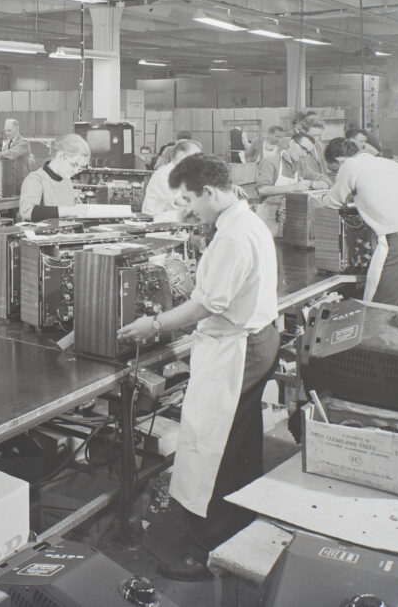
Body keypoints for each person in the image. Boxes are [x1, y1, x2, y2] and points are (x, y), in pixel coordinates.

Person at [118, 154, 279, 579]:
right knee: (240, 441)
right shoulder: (243, 221)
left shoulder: (232, 238)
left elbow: (208, 303)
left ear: (210, 192)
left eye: (190, 199)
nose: (188, 209)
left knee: (216, 446)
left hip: (238, 350)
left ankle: (208, 546)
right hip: (256, 338)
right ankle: (238, 525)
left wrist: (153, 324)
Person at [323, 137, 398, 310]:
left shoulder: (349, 165)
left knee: (377, 308)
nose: (336, 174)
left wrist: (320, 197)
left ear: (338, 160)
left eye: (334, 170)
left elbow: (332, 202)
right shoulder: (391, 165)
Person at [254, 133, 331, 236]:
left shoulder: (301, 165)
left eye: (307, 152)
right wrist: (293, 188)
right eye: (303, 149)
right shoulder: (270, 162)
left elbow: (327, 181)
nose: (304, 154)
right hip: (269, 218)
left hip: (290, 219)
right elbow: (262, 190)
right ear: (292, 143)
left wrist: (313, 184)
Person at [18, 134, 90, 222]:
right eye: (75, 165)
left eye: (80, 168)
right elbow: (27, 212)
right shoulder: (35, 179)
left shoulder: (67, 182)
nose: (76, 171)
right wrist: (70, 211)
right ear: (60, 156)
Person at [141, 139, 201, 222]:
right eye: (196, 157)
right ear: (181, 156)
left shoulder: (182, 174)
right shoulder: (165, 174)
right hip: (156, 225)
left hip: (170, 222)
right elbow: (180, 202)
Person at [0, 118, 32, 192]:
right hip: (9, 185)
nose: (6, 133)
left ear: (17, 129)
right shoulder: (6, 145)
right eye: (5, 131)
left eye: (9, 130)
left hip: (22, 183)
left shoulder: (24, 143)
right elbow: (4, 158)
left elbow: (12, 153)